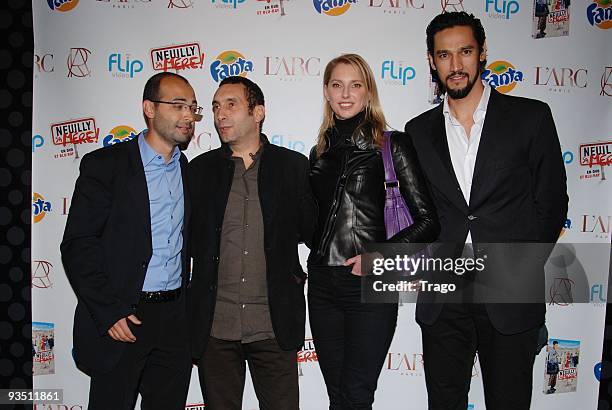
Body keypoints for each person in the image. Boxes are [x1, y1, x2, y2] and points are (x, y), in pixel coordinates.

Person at [404, 12, 568, 410]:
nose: (455, 65)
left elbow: (552, 204)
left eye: (465, 52)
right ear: (431, 61)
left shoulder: (530, 117)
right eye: (444, 55)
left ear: (482, 54)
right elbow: (416, 213)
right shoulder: (417, 131)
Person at [308, 53, 439, 410]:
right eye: (337, 85)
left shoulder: (392, 144)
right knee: (337, 395)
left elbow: (428, 221)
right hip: (321, 284)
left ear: (369, 92)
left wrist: (377, 257)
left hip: (369, 285)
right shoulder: (318, 153)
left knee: (356, 394)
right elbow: (316, 226)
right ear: (326, 92)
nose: (345, 94)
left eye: (355, 85)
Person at [61, 72, 199, 410]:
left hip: (174, 321)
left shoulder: (189, 172)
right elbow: (78, 244)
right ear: (149, 108)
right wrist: (109, 313)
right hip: (124, 317)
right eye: (177, 105)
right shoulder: (105, 165)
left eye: (193, 108)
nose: (188, 116)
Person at [188, 76, 316, 410]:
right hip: (215, 328)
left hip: (273, 326)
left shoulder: (293, 167)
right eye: (216, 107)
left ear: (258, 112)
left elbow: (312, 232)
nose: (220, 115)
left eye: (231, 104)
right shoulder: (199, 171)